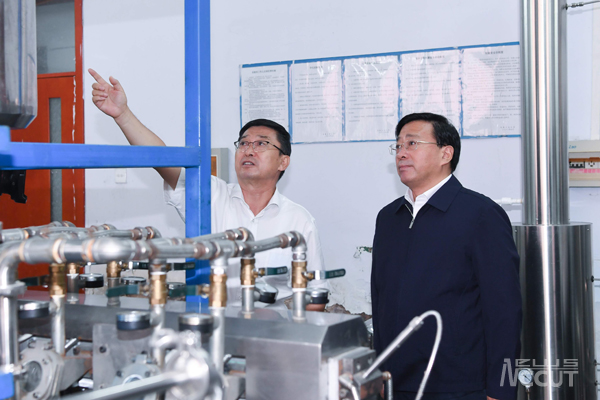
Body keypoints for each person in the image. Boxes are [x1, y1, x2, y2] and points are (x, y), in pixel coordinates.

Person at [89, 68, 327, 311]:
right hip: (214, 322)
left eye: (261, 143)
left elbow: (316, 297)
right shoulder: (211, 195)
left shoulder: (299, 220)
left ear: (283, 161)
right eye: (243, 143)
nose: (249, 150)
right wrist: (123, 115)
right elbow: (163, 160)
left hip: (276, 329)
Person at [370, 112, 521, 400]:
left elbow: (504, 310)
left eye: (412, 143)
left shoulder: (480, 214)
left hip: (459, 385)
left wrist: (502, 389)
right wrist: (378, 371)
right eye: (398, 145)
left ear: (445, 154)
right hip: (394, 382)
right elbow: (380, 299)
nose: (401, 153)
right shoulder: (389, 218)